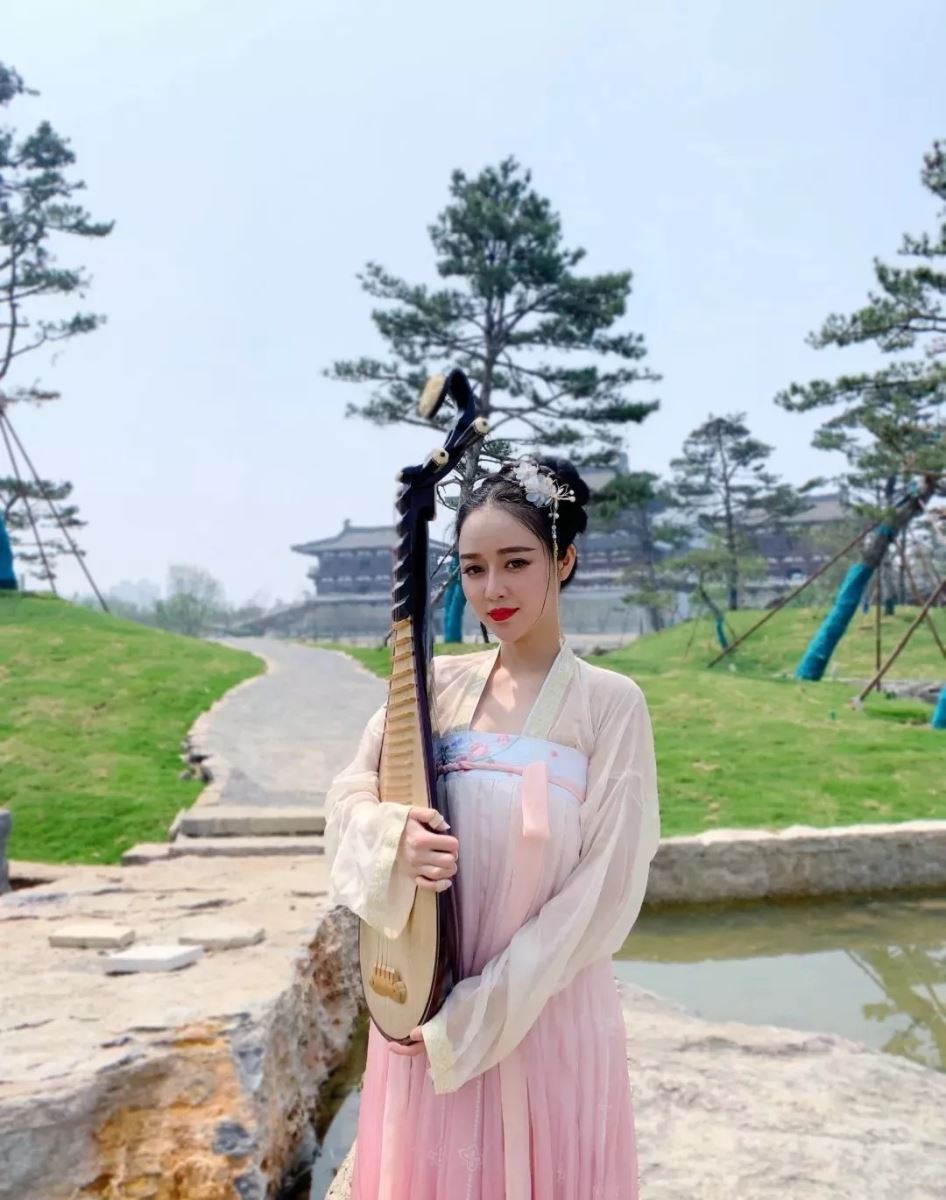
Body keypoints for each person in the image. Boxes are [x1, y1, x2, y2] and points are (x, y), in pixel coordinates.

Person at [324, 454, 662, 1200]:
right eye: (474, 569)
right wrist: (391, 836)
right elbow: (349, 793)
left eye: (516, 562)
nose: (493, 590)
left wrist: (478, 1015)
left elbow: (605, 886)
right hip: (427, 992)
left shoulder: (609, 704)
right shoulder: (436, 687)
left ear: (563, 560)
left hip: (542, 1012)